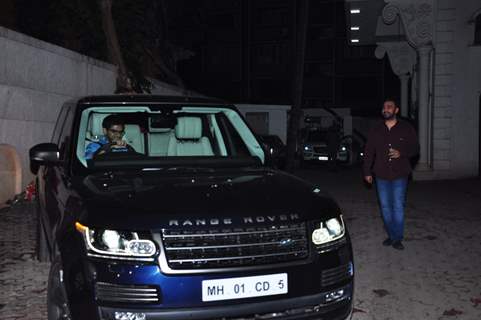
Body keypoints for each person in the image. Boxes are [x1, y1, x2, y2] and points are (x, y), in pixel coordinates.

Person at [363, 99, 419, 250]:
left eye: (389, 107)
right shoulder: (376, 129)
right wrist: (367, 171)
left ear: (396, 110)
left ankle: (397, 238)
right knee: (385, 207)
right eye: (384, 107)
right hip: (381, 174)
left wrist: (402, 153)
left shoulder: (406, 128)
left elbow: (415, 149)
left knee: (398, 206)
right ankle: (392, 234)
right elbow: (369, 152)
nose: (385, 109)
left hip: (400, 173)